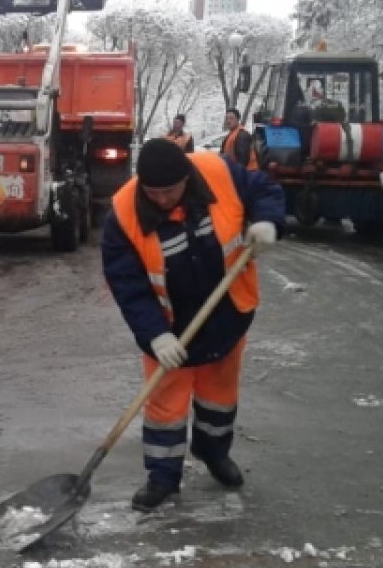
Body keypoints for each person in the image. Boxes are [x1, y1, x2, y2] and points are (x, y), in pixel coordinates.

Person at [101, 139, 285, 512]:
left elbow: (264, 187)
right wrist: (156, 335)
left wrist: (268, 219)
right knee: (165, 407)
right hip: (170, 330)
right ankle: (163, 478)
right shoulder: (123, 214)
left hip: (225, 312)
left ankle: (214, 453)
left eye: (169, 191)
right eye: (153, 192)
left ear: (187, 177)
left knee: (219, 396)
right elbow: (129, 287)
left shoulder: (217, 172)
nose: (162, 199)